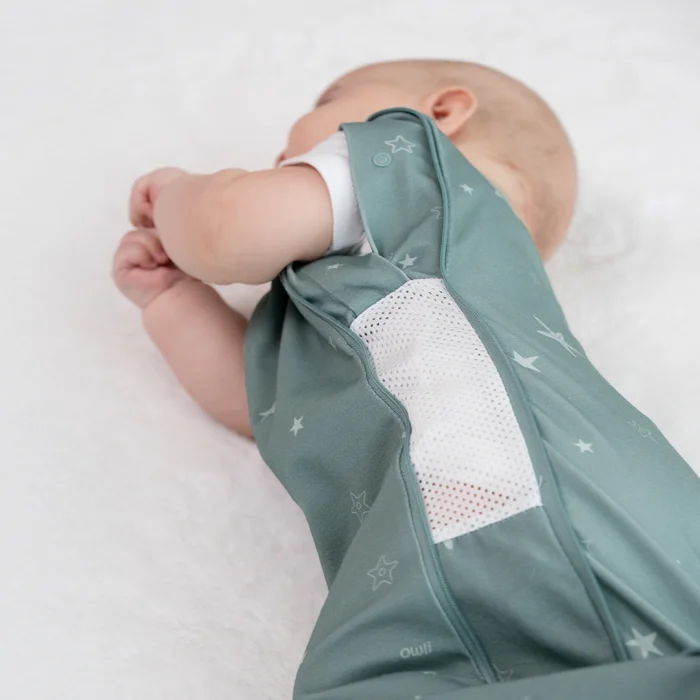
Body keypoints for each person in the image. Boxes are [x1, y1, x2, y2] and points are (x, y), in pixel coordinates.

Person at [112, 60, 700, 699]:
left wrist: (179, 197)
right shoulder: (370, 304)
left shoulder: (413, 167)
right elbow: (260, 406)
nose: (280, 158)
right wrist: (172, 300)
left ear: (442, 113)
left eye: (321, 107)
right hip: (420, 588)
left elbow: (228, 225)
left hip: (557, 519)